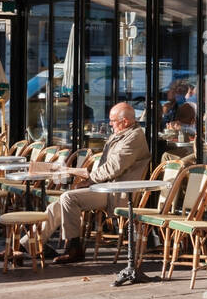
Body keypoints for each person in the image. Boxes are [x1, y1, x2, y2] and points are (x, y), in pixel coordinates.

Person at [11, 102, 150, 265]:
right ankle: (27, 245)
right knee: (59, 203)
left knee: (69, 198)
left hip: (117, 191)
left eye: (113, 121)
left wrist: (90, 179)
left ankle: (74, 248)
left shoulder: (134, 136)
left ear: (125, 121)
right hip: (105, 186)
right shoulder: (122, 133)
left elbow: (114, 167)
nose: (110, 124)